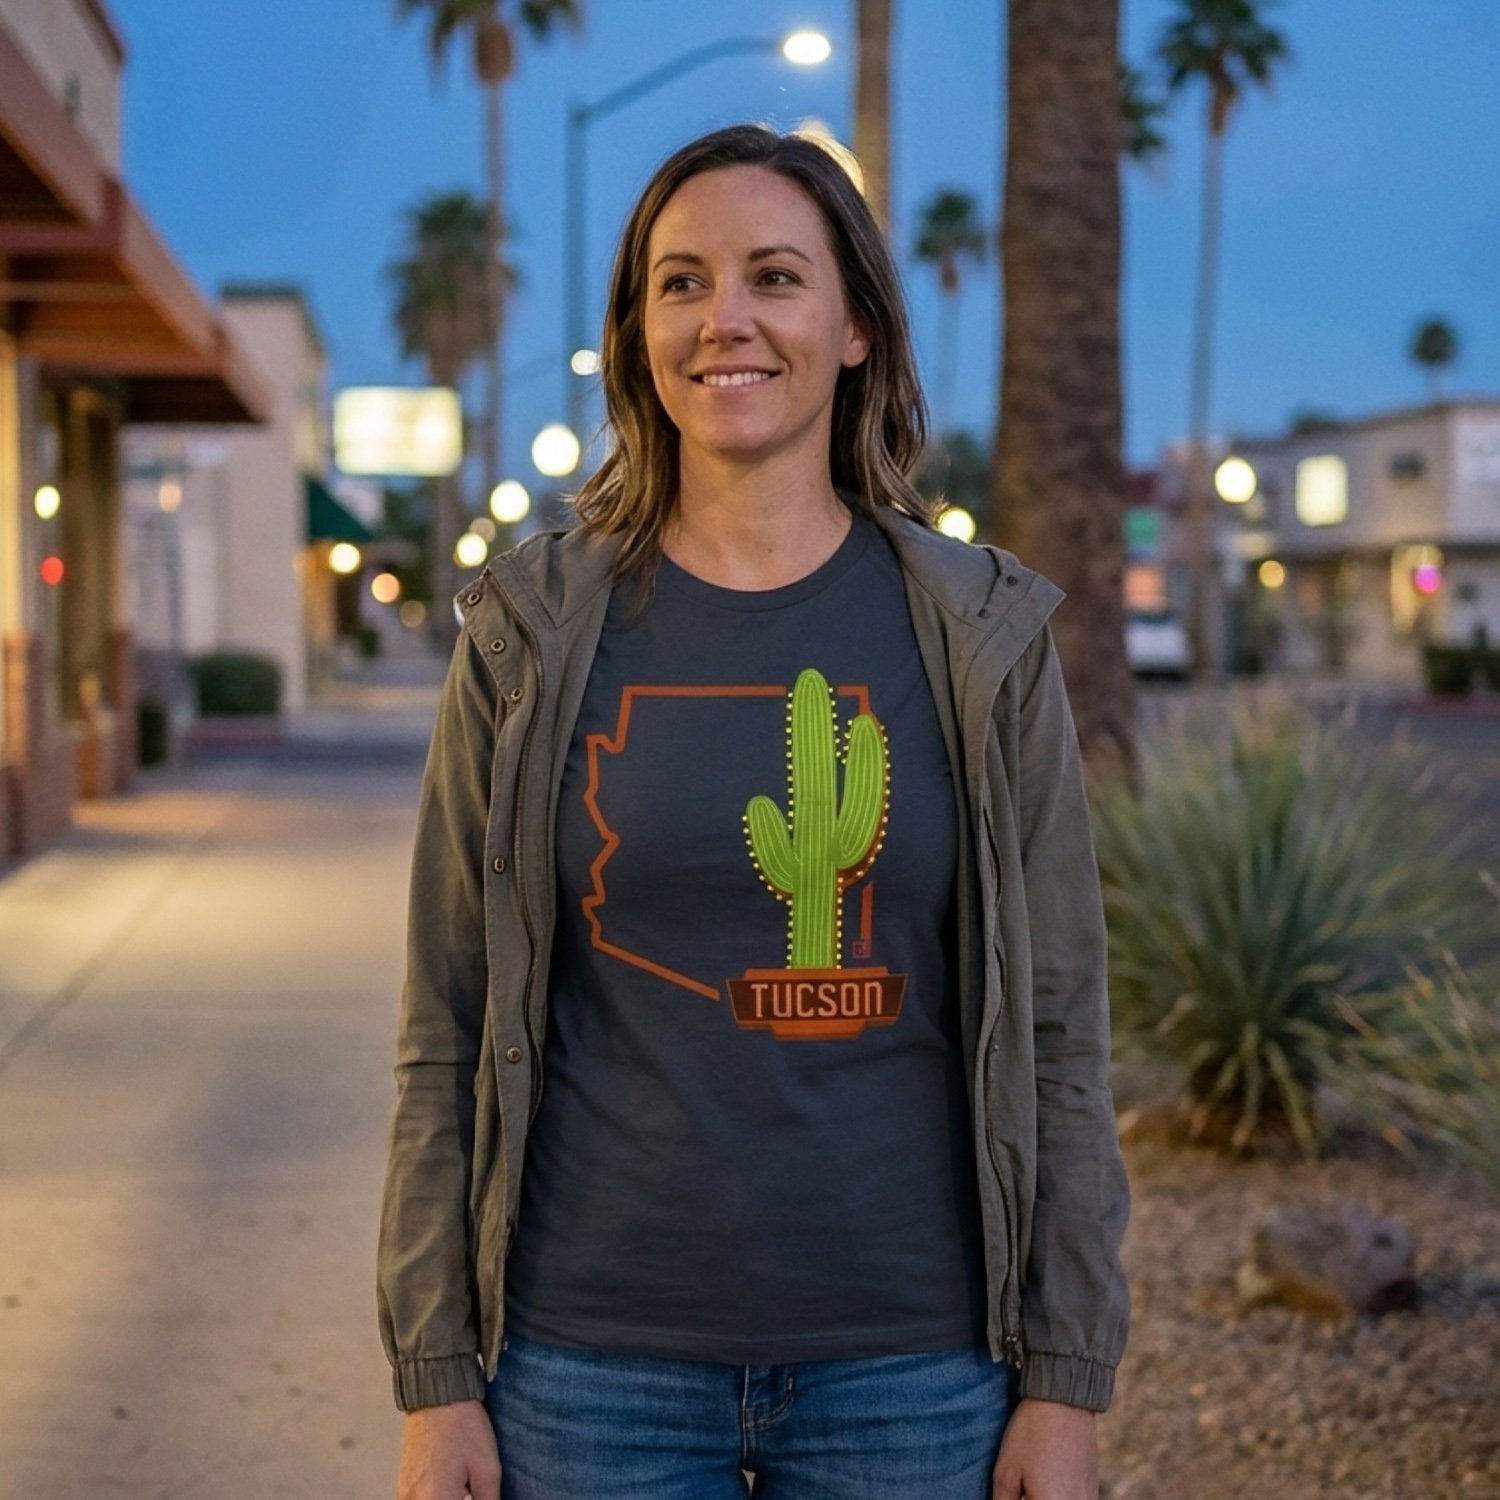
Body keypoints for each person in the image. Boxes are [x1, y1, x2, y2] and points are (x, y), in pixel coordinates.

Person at [378, 122, 1130, 1500]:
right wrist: (438, 1378)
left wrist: (1065, 1380)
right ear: (638, 333)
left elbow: (1061, 1036)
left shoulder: (980, 639)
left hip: (911, 1365)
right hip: (585, 1366)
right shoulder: (530, 638)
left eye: (774, 276)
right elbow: (445, 1028)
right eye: (681, 282)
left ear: (854, 328)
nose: (724, 318)